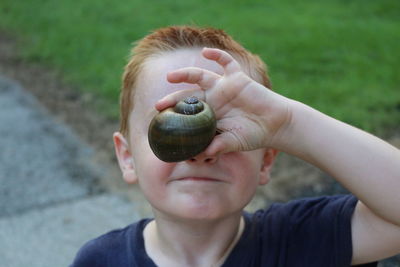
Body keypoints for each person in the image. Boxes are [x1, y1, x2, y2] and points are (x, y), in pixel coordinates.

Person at [71, 25, 400, 267]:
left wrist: (288, 123)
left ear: (266, 160)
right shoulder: (100, 261)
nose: (199, 153)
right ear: (127, 157)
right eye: (167, 128)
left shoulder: (301, 241)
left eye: (223, 131)